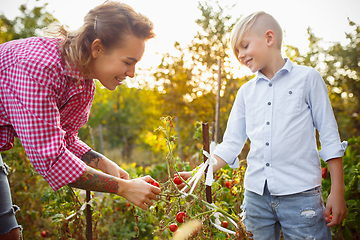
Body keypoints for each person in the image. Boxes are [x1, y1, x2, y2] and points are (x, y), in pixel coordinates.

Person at [0, 1, 161, 239]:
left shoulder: (83, 82)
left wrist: (106, 165)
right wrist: (124, 188)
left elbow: (65, 138)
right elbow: (51, 158)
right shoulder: (38, 67)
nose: (132, 73)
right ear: (97, 48)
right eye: (128, 62)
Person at [179, 11, 347, 239]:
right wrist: (200, 173)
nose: (240, 55)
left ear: (269, 39)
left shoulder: (308, 79)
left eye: (245, 46)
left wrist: (338, 191)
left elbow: (329, 137)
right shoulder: (246, 92)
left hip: (301, 196)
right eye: (237, 51)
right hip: (256, 199)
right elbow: (231, 144)